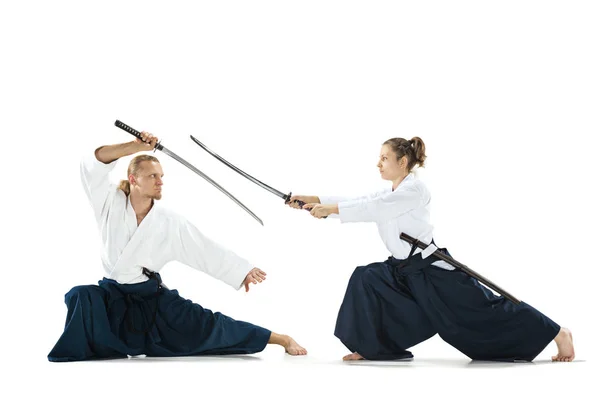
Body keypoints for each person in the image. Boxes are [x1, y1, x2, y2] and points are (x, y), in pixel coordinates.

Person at [287, 137, 574, 362]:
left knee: (483, 309)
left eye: (385, 158)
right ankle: (371, 348)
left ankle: (557, 332)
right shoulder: (390, 191)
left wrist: (328, 210)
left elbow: (370, 209)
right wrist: (310, 199)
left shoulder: (414, 191)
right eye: (379, 158)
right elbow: (357, 200)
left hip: (433, 271)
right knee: (367, 278)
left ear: (403, 161)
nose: (379, 163)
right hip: (402, 271)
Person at [48, 131, 306, 362]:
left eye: (161, 176)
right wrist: (134, 146)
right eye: (152, 176)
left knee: (210, 327)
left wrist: (242, 270)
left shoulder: (168, 222)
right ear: (133, 179)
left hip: (151, 298)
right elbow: (91, 164)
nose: (160, 181)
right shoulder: (109, 203)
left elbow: (204, 249)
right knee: (81, 295)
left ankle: (280, 338)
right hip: (113, 298)